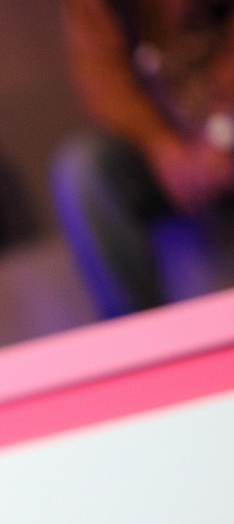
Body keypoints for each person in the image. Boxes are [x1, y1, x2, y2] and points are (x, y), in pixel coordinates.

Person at [52, 0, 234, 319]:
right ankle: (135, 329)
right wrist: (161, 146)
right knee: (84, 167)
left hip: (225, 128)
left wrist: (222, 132)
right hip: (161, 151)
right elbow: (104, 82)